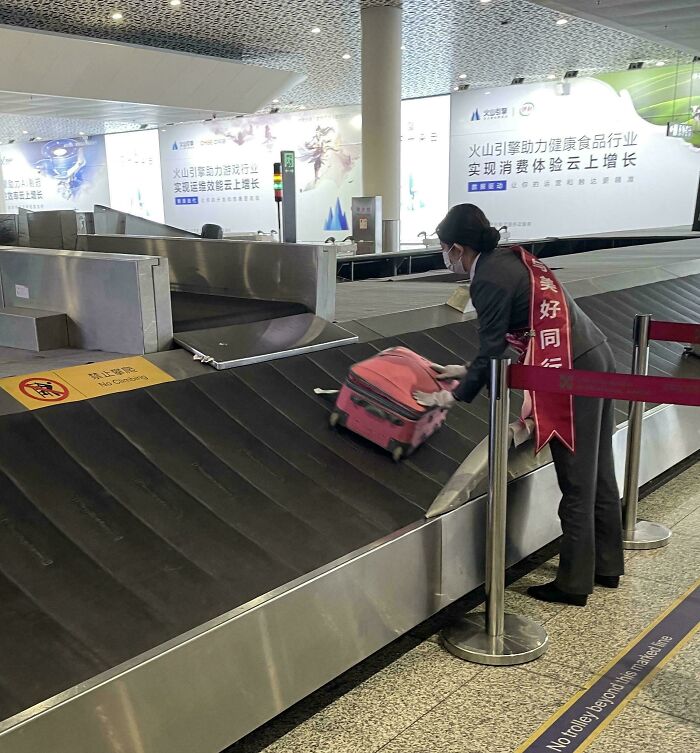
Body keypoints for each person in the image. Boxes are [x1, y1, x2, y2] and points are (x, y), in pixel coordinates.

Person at [414, 203, 624, 607]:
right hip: (594, 354)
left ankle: (574, 583)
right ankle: (607, 565)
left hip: (570, 372)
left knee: (576, 480)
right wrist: (464, 370)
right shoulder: (509, 258)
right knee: (599, 470)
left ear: (457, 247)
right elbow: (517, 336)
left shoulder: (487, 279)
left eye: (444, 248)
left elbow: (493, 348)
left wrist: (451, 396)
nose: (445, 256)